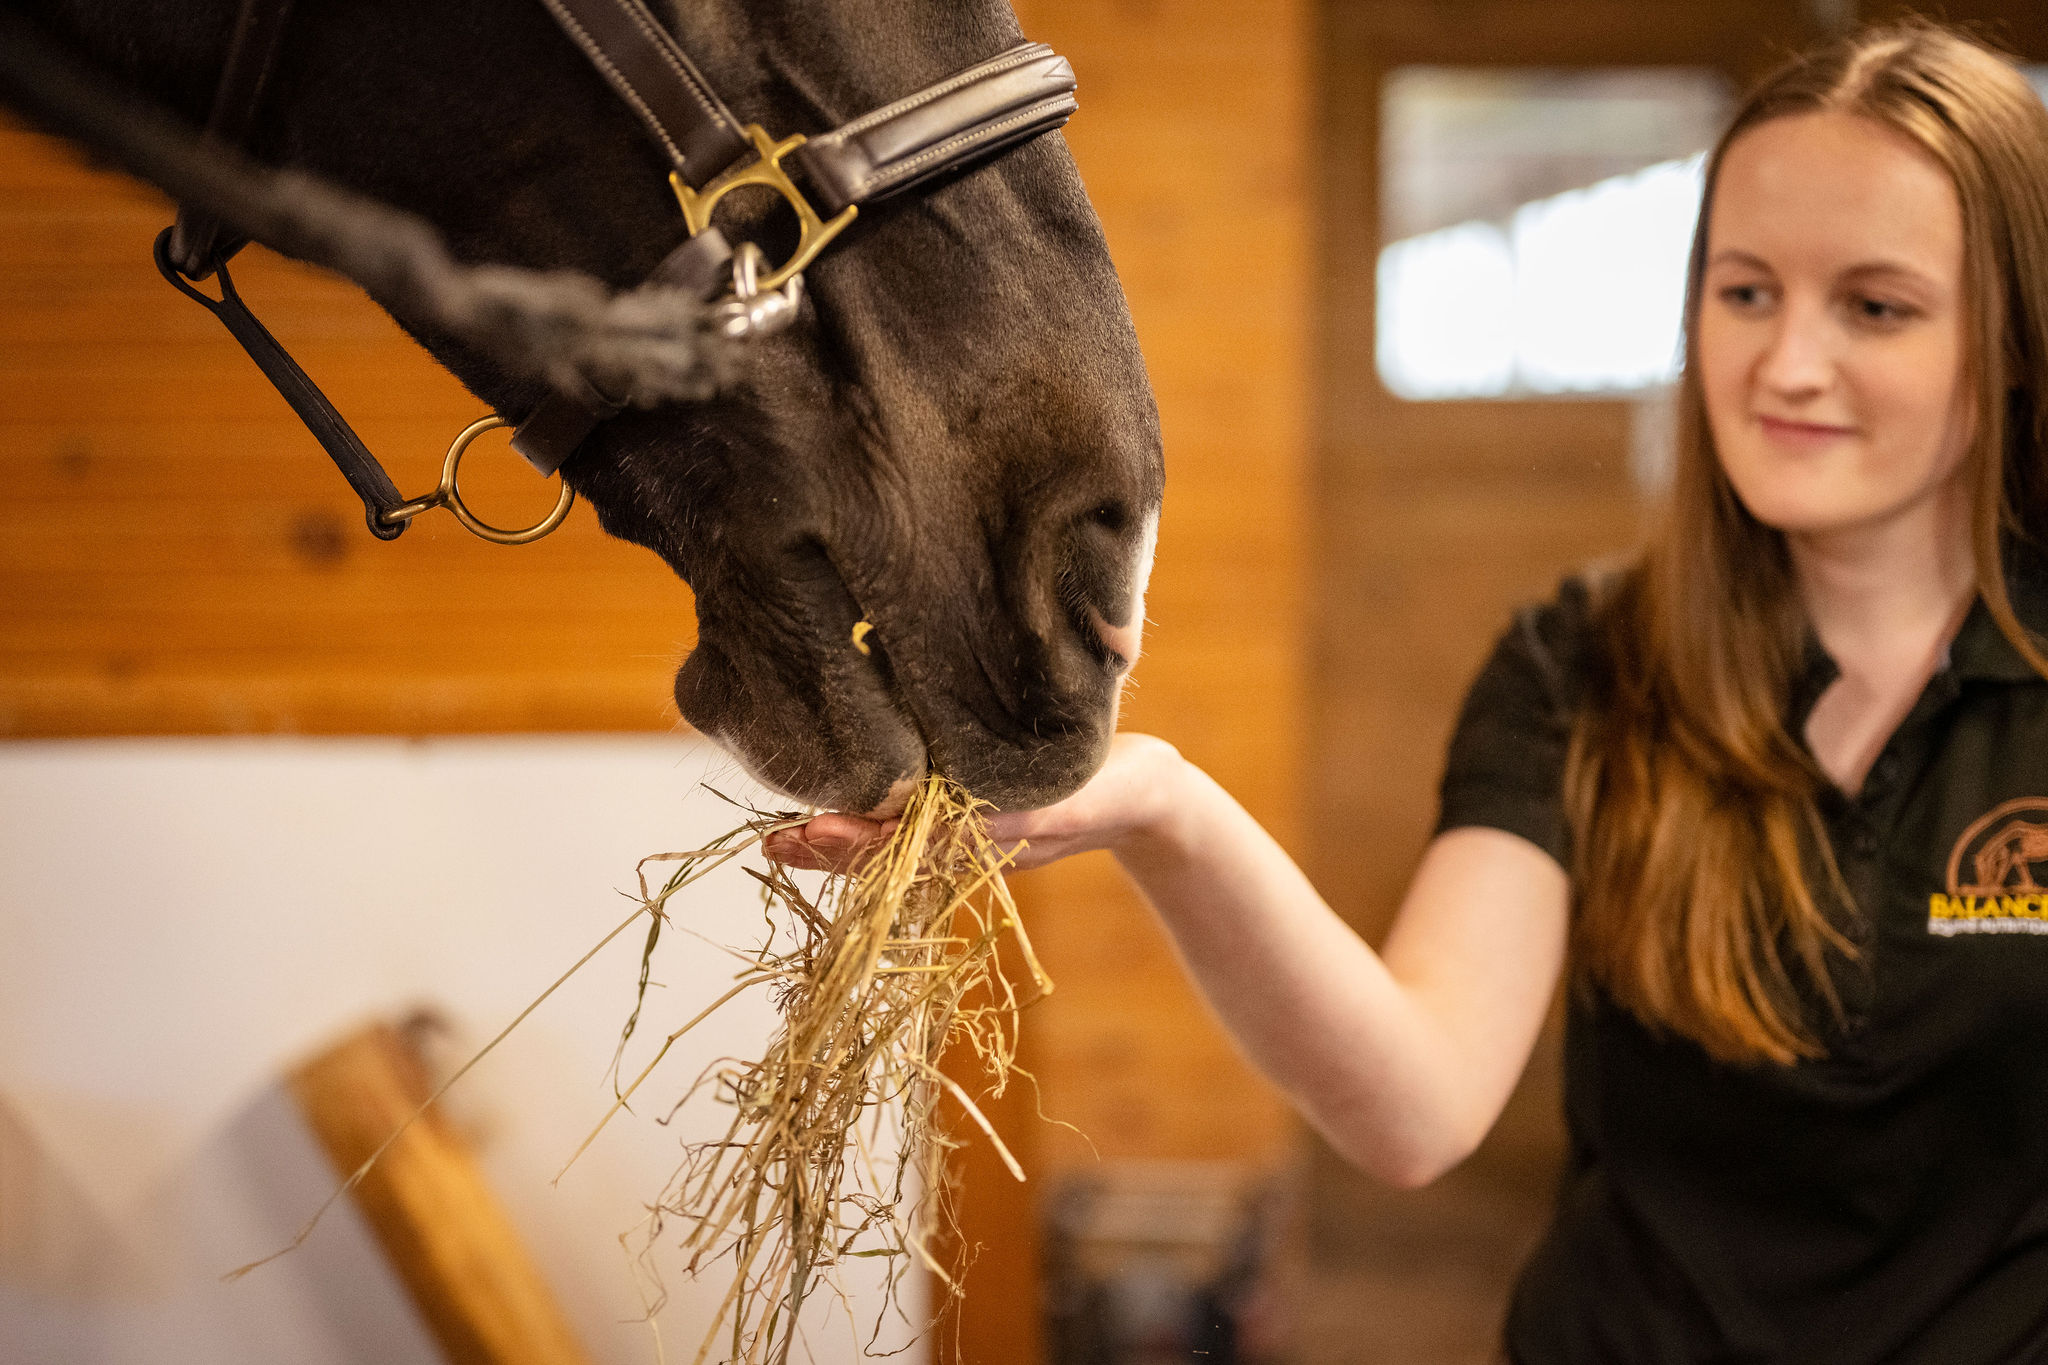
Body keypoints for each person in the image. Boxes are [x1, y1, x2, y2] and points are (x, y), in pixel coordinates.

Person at [767, 20, 2048, 1361]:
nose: (1785, 364)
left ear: (2014, 336)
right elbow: (1416, 1101)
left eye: (1876, 306)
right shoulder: (1587, 664)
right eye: (1745, 292)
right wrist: (1165, 808)